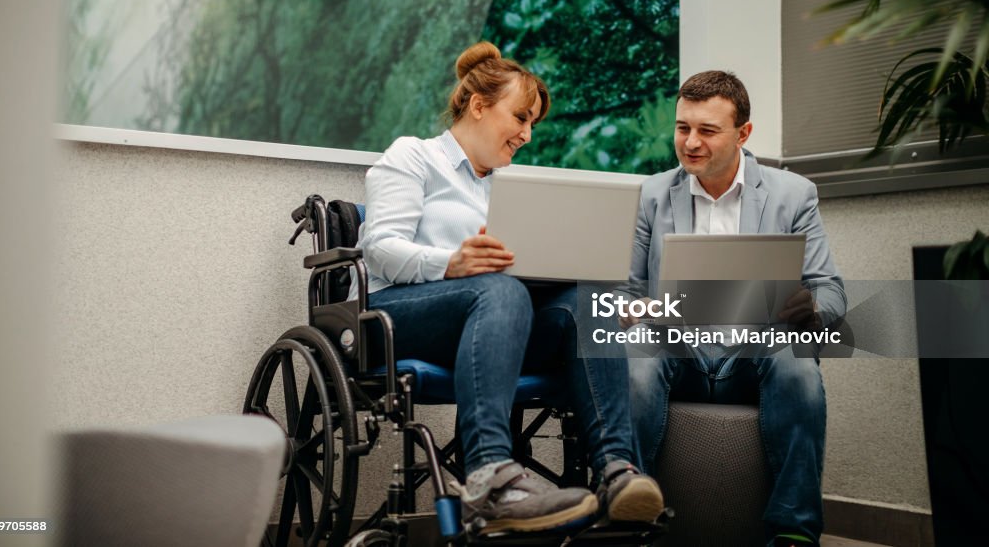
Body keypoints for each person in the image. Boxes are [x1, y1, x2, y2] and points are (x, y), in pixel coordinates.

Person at [356, 41, 664, 534]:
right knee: (498, 288)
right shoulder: (413, 156)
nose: (526, 133)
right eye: (520, 117)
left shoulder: (513, 187)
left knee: (587, 302)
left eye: (532, 124)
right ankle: (490, 479)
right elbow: (380, 249)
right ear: (478, 105)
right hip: (399, 315)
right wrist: (451, 262)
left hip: (497, 320)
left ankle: (617, 471)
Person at [625, 71, 846, 547]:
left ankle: (793, 531)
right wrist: (632, 310)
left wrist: (811, 309)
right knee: (635, 361)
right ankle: (630, 520)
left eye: (707, 130)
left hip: (754, 348)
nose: (691, 142)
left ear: (744, 134)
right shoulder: (651, 194)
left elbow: (829, 289)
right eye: (683, 128)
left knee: (797, 364)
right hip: (676, 347)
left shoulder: (793, 194)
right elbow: (625, 291)